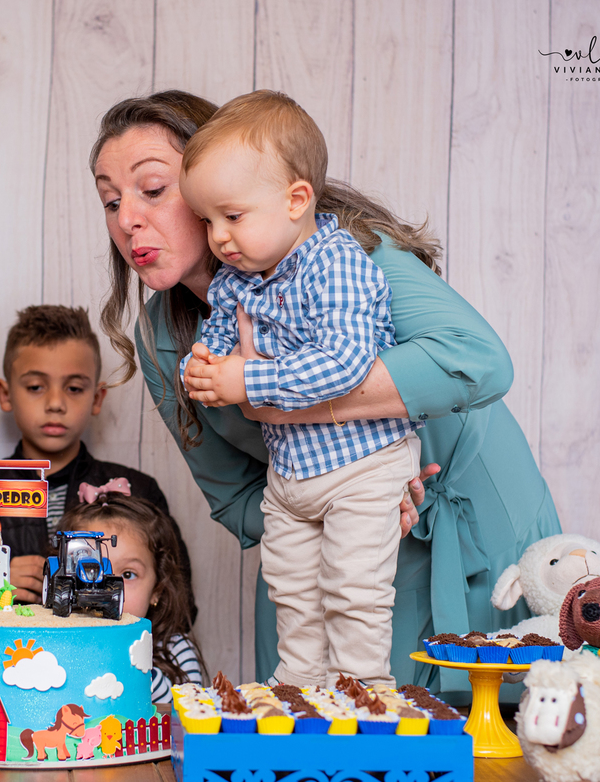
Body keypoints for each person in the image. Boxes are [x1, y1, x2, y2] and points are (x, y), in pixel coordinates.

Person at [90, 90, 561, 697]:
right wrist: (327, 499)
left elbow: (481, 361)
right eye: (110, 200)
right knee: (313, 719)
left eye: (152, 189)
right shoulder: (162, 335)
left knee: (498, 726)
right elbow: (233, 496)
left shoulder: (347, 255)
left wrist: (362, 461)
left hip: (469, 519)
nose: (127, 219)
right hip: (320, 541)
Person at [176, 90, 421, 688]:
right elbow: (216, 339)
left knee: (354, 594)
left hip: (361, 468)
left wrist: (244, 378)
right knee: (294, 600)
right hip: (292, 479)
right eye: (208, 222)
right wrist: (203, 365)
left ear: (296, 200)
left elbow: (345, 363)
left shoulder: (333, 263)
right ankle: (302, 699)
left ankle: (364, 700)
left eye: (231, 217)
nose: (218, 238)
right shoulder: (241, 278)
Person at [0, 305, 189, 640]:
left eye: (73, 388)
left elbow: (179, 606)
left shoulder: (136, 491)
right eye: (36, 387)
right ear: (6, 394)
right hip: (0, 669)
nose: (55, 403)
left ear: (97, 397)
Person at [57, 492, 203, 703]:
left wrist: (133, 666)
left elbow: (190, 717)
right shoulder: (57, 641)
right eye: (92, 570)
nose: (107, 587)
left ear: (156, 590)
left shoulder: (177, 650)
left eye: (128, 574)